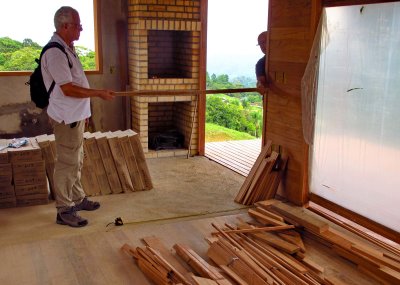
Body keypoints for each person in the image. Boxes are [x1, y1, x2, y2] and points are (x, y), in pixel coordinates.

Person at [42, 6, 115, 227]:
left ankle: (78, 198)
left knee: (76, 160)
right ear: (65, 26)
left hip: (75, 116)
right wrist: (99, 94)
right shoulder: (55, 52)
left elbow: (75, 84)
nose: (81, 29)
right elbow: (68, 89)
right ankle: (64, 210)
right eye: (78, 25)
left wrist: (85, 113)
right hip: (66, 118)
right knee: (67, 163)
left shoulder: (68, 48)